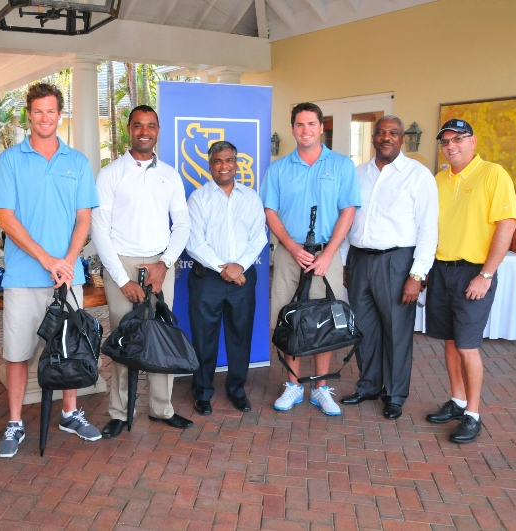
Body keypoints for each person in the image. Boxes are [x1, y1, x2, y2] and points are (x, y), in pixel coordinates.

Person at [0, 83, 101, 458]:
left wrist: (67, 259)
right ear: (28, 114)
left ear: (60, 114)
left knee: (69, 348)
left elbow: (83, 218)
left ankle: (70, 413)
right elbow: (5, 217)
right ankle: (16, 422)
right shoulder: (9, 160)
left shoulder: (78, 162)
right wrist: (45, 258)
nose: (44, 118)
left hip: (68, 276)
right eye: (37, 111)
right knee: (18, 352)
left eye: (51, 111)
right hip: (24, 277)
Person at [91, 104, 193, 438]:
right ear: (129, 130)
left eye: (150, 125)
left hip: (160, 264)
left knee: (161, 338)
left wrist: (164, 264)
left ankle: (163, 409)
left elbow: (182, 224)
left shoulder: (170, 174)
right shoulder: (110, 174)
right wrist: (122, 279)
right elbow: (99, 230)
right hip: (122, 263)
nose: (144, 131)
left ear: (158, 130)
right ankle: (120, 412)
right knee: (124, 340)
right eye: (138, 125)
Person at [262, 102, 361, 416]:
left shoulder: (342, 165)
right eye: (300, 125)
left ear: (321, 128)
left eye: (311, 124)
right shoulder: (278, 168)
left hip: (326, 255)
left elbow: (348, 211)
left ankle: (319, 387)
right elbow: (270, 212)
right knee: (287, 318)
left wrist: (328, 254)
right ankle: (292, 385)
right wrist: (291, 247)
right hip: (290, 255)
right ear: (293, 129)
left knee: (326, 320)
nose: (305, 130)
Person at [424, 119, 516, 443]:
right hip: (441, 268)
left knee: (467, 346)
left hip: (473, 271)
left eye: (458, 139)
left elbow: (506, 225)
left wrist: (486, 275)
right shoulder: (438, 179)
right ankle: (457, 400)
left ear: (473, 141)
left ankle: (473, 413)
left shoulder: (493, 174)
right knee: (449, 341)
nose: (451, 145)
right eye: (446, 141)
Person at [339, 116, 438, 420]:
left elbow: (428, 229)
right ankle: (368, 385)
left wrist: (417, 275)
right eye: (380, 133)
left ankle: (394, 394)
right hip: (359, 259)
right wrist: (345, 261)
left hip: (397, 261)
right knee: (364, 329)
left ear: (402, 138)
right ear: (373, 138)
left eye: (393, 133)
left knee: (396, 330)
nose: (386, 138)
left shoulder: (418, 176)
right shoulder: (357, 175)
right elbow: (346, 219)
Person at [186, 141, 267, 415]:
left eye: (229, 160)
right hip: (207, 279)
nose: (224, 166)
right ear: (210, 166)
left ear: (236, 163)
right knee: (203, 338)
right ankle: (203, 392)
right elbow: (194, 242)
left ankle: (236, 390)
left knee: (239, 336)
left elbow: (259, 237)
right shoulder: (198, 198)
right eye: (218, 161)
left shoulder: (251, 197)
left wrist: (239, 267)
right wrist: (225, 269)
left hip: (243, 278)